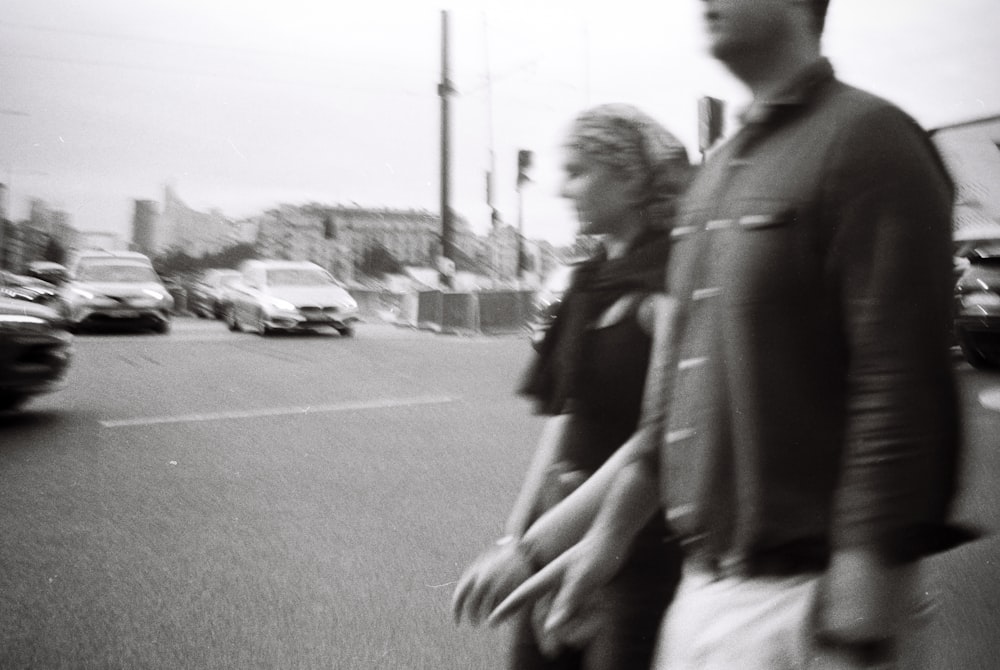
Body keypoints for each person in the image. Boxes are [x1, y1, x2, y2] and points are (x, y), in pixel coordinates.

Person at [487, 1, 974, 668]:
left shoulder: (869, 139)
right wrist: (596, 544)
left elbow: (900, 389)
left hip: (806, 602)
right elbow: (670, 415)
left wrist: (858, 622)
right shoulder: (718, 175)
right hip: (706, 590)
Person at [451, 103, 691, 669]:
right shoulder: (587, 282)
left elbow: (652, 440)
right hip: (556, 535)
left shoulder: (670, 283)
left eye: (578, 171)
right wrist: (518, 539)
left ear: (631, 178)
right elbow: (565, 421)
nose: (563, 189)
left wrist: (536, 550)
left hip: (629, 550)